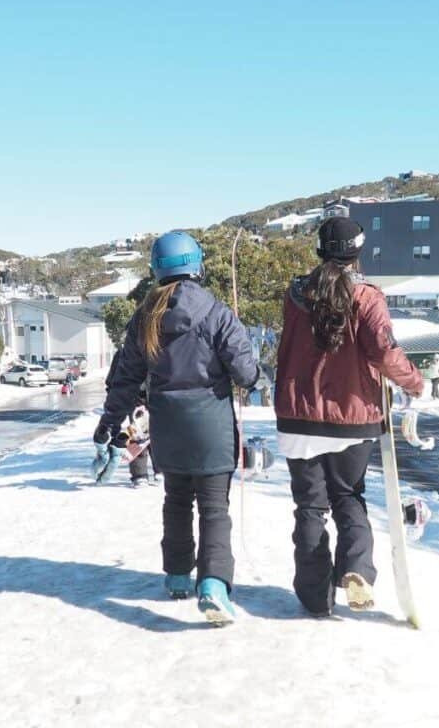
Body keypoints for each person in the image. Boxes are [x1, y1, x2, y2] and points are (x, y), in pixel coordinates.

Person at [93, 231, 262, 625]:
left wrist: (108, 422)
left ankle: (176, 575)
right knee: (214, 508)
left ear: (157, 269)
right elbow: (244, 371)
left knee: (176, 501)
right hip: (211, 427)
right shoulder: (218, 313)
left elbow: (125, 378)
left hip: (167, 425)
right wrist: (256, 376)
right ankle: (214, 585)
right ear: (197, 265)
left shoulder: (145, 318)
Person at [274, 215, 425, 618]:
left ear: (319, 249)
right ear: (358, 251)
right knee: (348, 497)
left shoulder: (294, 294)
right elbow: (384, 353)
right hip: (352, 417)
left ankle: (314, 597)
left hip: (298, 416)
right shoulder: (368, 296)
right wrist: (415, 382)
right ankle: (356, 570)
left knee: (309, 506)